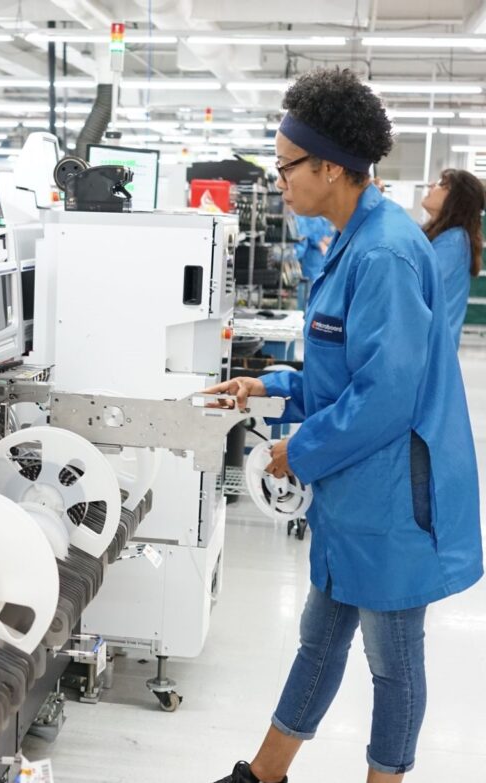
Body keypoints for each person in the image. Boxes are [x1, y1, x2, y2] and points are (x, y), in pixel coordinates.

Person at [206, 67, 482, 783]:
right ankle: (263, 774)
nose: (280, 179)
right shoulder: (351, 241)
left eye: (286, 165)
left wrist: (300, 449)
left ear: (331, 167)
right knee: (319, 640)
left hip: (391, 498)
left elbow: (385, 395)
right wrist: (265, 383)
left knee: (393, 660)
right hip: (356, 491)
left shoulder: (385, 253)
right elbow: (340, 373)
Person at [421, 169, 485, 349]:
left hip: (432, 348)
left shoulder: (454, 241)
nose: (432, 186)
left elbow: (419, 285)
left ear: (457, 201)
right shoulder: (438, 235)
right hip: (430, 344)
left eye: (442, 185)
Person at [292, 213, 335, 309]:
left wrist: (327, 240)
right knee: (307, 291)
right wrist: (320, 242)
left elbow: (326, 234)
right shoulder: (308, 216)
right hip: (312, 260)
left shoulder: (322, 218)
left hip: (320, 260)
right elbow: (308, 233)